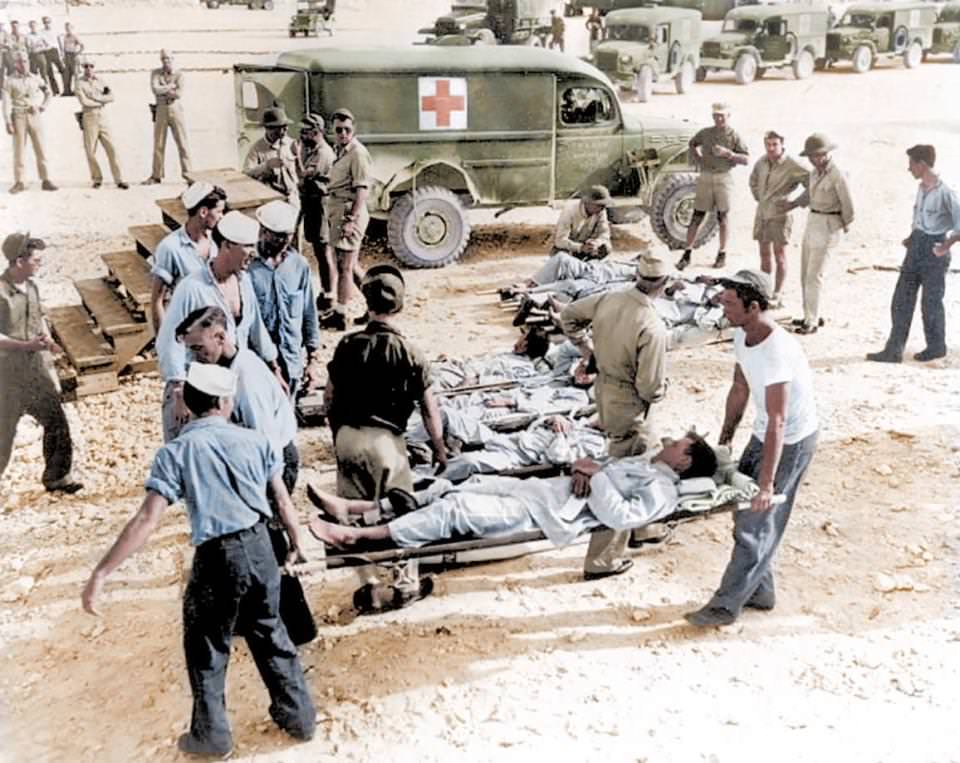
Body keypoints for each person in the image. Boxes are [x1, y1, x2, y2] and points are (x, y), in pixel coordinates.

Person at [81, 363, 316, 758]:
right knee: (271, 632)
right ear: (225, 403)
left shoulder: (176, 452)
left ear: (187, 405)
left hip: (218, 555)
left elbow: (146, 519)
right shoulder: (256, 441)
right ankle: (300, 719)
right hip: (260, 545)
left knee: (206, 643)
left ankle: (213, 738)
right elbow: (281, 498)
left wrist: (102, 572)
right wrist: (296, 541)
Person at [308, 433, 717, 551]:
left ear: (684, 462)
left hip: (547, 514)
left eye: (679, 444)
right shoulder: (647, 463)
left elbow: (621, 518)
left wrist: (596, 476)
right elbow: (591, 466)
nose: (670, 442)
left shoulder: (663, 489)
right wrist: (585, 467)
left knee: (458, 510)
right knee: (457, 482)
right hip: (541, 491)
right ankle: (360, 508)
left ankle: (358, 536)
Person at [685, 269, 817, 627]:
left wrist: (768, 484)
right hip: (764, 433)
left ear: (754, 306)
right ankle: (761, 590)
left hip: (791, 440)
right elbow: (740, 387)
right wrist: (727, 437)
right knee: (744, 509)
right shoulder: (742, 336)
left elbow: (778, 418)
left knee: (755, 518)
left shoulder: (777, 349)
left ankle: (725, 606)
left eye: (730, 303)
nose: (722, 308)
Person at [560, 254, 670, 580]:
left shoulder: (610, 298)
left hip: (606, 392)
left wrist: (589, 352)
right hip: (631, 404)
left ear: (637, 276)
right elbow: (651, 388)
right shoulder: (652, 325)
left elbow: (568, 316)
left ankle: (644, 527)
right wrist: (663, 390)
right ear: (663, 285)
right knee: (624, 474)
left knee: (644, 460)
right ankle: (602, 559)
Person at [156, 211, 281, 442]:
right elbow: (169, 340)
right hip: (194, 388)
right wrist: (178, 391)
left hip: (228, 383)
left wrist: (273, 366)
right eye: (248, 247)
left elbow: (256, 329)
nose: (254, 254)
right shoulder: (192, 287)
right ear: (227, 246)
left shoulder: (244, 282)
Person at [0, 233, 82, 494]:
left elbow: (37, 321)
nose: (39, 264)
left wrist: (49, 342)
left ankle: (57, 477)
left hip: (34, 368)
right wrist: (24, 346)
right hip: (6, 374)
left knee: (56, 419)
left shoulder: (33, 287)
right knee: (3, 432)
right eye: (36, 260)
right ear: (19, 260)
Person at [867, 144, 959, 364]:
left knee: (931, 302)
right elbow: (920, 217)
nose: (909, 169)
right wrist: (912, 237)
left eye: (911, 164)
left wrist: (944, 247)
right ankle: (894, 349)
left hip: (934, 248)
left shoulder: (946, 191)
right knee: (902, 298)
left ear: (922, 164)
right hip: (916, 245)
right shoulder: (921, 188)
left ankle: (936, 346)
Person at [779, 133, 854, 335]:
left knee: (814, 275)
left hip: (829, 223)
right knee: (805, 273)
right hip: (813, 221)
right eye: (812, 156)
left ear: (827, 153)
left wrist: (843, 226)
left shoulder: (837, 175)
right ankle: (808, 315)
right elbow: (809, 194)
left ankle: (811, 321)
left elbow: (848, 205)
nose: (816, 159)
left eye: (819, 155)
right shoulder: (814, 173)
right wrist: (793, 204)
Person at [248, 200, 322, 399]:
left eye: (287, 239)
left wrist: (312, 361)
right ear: (263, 232)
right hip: (257, 365)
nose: (283, 244)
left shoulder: (299, 266)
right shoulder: (247, 269)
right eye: (277, 238)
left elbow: (309, 315)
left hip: (290, 363)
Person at [677, 103, 749, 271]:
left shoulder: (733, 135)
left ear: (728, 116)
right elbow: (692, 143)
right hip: (706, 176)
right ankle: (687, 253)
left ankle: (722, 253)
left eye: (722, 115)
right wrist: (698, 159)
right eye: (716, 115)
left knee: (723, 217)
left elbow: (746, 159)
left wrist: (729, 154)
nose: (719, 118)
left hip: (724, 177)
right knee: (697, 216)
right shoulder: (706, 133)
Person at [318, 108, 373, 331]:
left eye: (347, 130)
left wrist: (352, 219)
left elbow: (362, 189)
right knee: (349, 266)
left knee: (345, 267)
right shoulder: (340, 151)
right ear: (333, 131)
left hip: (350, 212)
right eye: (339, 130)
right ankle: (375, 305)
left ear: (353, 130)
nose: (343, 133)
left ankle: (341, 315)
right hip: (338, 211)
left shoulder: (357, 153)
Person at [149, 182, 225, 330]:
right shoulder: (170, 247)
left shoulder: (217, 241)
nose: (222, 217)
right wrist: (165, 342)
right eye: (219, 211)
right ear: (203, 212)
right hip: (184, 330)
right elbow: (157, 300)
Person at [748, 130, 806, 308]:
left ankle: (778, 293)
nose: (771, 148)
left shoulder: (792, 163)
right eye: (768, 144)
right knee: (764, 254)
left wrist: (794, 203)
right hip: (763, 213)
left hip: (780, 215)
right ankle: (765, 289)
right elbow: (753, 181)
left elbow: (813, 183)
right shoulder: (762, 162)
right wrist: (760, 197)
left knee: (779, 255)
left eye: (775, 144)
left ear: (782, 144)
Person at [295, 112, 336, 310]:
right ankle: (325, 291)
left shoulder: (323, 154)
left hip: (321, 204)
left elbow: (303, 174)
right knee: (316, 247)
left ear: (317, 132)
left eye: (306, 132)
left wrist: (295, 156)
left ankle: (329, 294)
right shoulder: (310, 149)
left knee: (323, 250)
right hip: (310, 202)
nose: (302, 135)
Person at [2, 52, 57, 194]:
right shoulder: (9, 80)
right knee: (19, 150)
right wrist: (8, 121)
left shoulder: (35, 78)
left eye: (25, 61)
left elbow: (48, 92)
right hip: (18, 115)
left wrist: (42, 106)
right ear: (15, 64)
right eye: (20, 62)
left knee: (41, 148)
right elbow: (6, 102)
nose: (23, 64)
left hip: (34, 115)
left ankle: (46, 179)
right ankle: (20, 181)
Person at [75, 56, 127, 189]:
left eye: (91, 66)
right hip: (89, 116)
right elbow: (84, 101)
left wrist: (97, 98)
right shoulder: (79, 83)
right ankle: (97, 178)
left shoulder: (101, 81)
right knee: (90, 150)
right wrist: (100, 101)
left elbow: (111, 96)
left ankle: (119, 178)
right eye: (86, 66)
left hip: (102, 116)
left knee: (111, 147)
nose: (88, 69)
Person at [144, 50, 192, 184]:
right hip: (160, 109)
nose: (166, 61)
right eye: (164, 59)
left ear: (173, 59)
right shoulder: (155, 73)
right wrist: (170, 87)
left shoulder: (179, 74)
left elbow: (178, 94)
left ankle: (189, 174)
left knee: (182, 142)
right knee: (158, 143)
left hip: (175, 108)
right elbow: (155, 89)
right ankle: (156, 175)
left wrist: (164, 89)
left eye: (169, 59)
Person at [244, 106, 299, 211]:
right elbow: (246, 173)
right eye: (281, 127)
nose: (285, 130)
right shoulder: (257, 149)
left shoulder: (291, 144)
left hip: (293, 198)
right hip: (273, 202)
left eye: (286, 126)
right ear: (268, 129)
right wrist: (266, 166)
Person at [552, 185, 613, 260]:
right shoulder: (570, 211)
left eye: (604, 205)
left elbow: (605, 233)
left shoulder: (601, 212)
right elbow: (559, 241)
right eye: (599, 205)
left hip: (587, 247)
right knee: (562, 255)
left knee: (606, 247)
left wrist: (596, 243)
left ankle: (589, 267)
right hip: (569, 248)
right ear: (588, 202)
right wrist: (580, 247)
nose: (602, 208)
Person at [39, 17, 63, 96]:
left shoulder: (55, 30)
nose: (47, 24)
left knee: (63, 70)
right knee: (50, 72)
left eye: (48, 22)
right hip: (46, 52)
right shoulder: (41, 32)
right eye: (45, 22)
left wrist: (61, 51)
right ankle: (55, 91)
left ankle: (67, 88)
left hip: (55, 50)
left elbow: (59, 41)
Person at [60, 22, 83, 97]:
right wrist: (63, 56)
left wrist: (77, 53)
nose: (67, 29)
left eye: (69, 28)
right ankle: (67, 91)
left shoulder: (75, 36)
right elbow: (64, 46)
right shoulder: (65, 36)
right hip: (67, 55)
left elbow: (82, 46)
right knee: (67, 74)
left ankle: (77, 90)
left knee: (75, 74)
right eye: (66, 28)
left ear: (71, 28)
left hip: (73, 55)